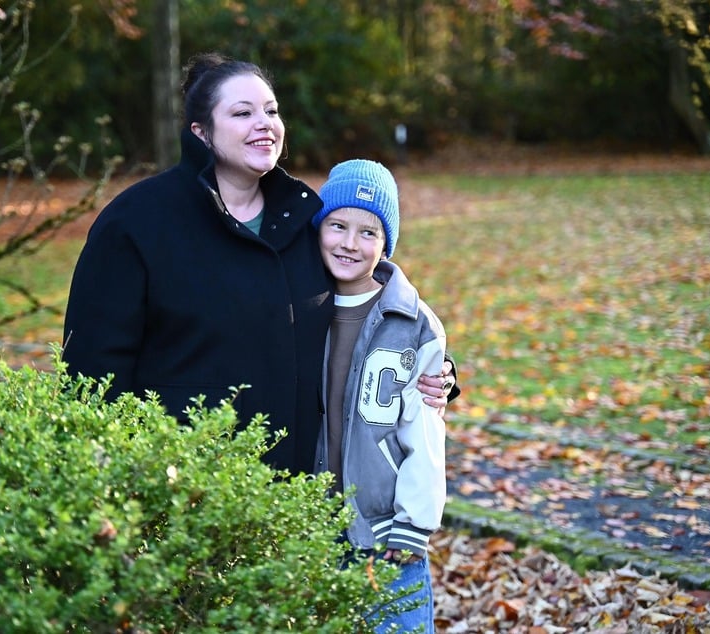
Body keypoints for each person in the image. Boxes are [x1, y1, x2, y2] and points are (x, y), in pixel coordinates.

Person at [62, 52, 457, 476]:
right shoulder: (137, 222)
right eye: (243, 112)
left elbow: (368, 298)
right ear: (201, 132)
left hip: (295, 494)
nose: (264, 123)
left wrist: (432, 368)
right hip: (181, 489)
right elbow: (92, 368)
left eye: (271, 110)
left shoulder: (305, 220)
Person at [312, 159, 446, 633]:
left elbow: (425, 428)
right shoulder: (300, 306)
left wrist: (414, 522)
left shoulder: (412, 321)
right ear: (319, 227)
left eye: (368, 232)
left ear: (387, 243)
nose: (350, 243)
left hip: (388, 532)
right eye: (338, 225)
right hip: (313, 527)